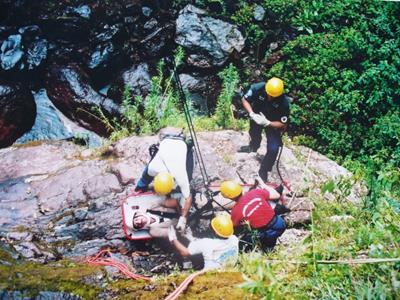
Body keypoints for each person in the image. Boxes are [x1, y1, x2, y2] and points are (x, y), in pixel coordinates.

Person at [135, 127, 194, 232]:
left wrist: (183, 218)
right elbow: (145, 177)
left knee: (188, 177)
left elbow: (188, 197)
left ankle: (188, 146)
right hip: (165, 141)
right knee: (156, 159)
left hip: (180, 143)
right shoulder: (153, 168)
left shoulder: (180, 176)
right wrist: (140, 186)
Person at [240, 77, 290, 183]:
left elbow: (283, 124)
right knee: (254, 132)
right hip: (257, 116)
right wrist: (252, 113)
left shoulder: (284, 102)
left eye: (273, 96)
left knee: (273, 148)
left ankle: (264, 169)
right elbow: (245, 99)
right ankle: (253, 146)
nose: (270, 97)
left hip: (273, 123)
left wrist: (268, 123)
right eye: (269, 94)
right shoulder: (258, 88)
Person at [220, 180, 287, 251]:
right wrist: (263, 185)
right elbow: (277, 195)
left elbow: (234, 228)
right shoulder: (255, 192)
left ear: (229, 197)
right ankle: (271, 246)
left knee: (243, 241)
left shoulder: (235, 211)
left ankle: (267, 250)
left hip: (266, 233)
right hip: (280, 224)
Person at [168, 214, 239, 270]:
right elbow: (202, 244)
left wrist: (173, 238)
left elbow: (184, 252)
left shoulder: (207, 243)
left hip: (211, 274)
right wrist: (190, 237)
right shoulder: (234, 239)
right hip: (229, 268)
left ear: (216, 233)